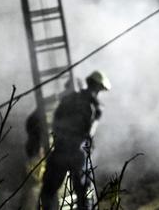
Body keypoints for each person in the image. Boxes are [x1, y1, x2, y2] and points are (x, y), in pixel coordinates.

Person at [40, 70, 111, 210]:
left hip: (61, 150)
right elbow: (89, 132)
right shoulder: (95, 106)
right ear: (98, 87)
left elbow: (55, 123)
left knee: (48, 191)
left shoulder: (69, 99)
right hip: (78, 152)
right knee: (84, 195)